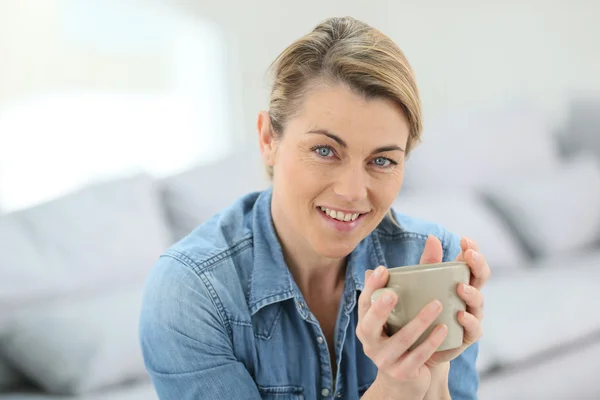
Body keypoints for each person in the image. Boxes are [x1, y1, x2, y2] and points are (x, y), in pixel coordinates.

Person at [139, 16, 490, 400]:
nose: (354, 192)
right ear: (268, 138)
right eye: (325, 150)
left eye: (383, 160)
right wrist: (394, 388)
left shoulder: (425, 262)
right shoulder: (191, 293)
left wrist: (434, 370)